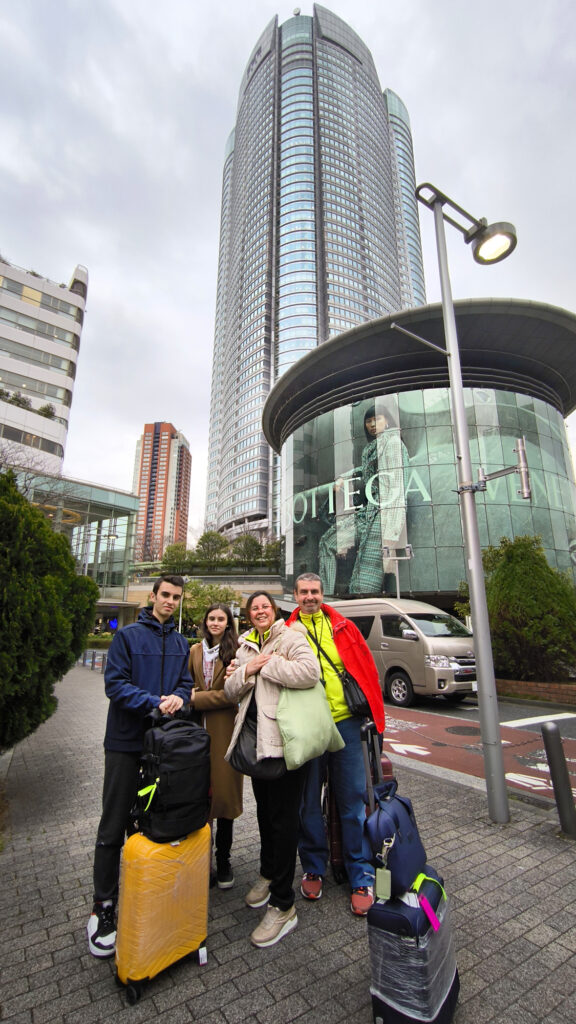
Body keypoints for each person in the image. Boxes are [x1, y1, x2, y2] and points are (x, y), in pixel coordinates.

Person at [87, 575, 193, 959]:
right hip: (125, 743)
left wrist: (178, 700)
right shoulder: (128, 637)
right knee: (113, 823)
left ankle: (142, 891)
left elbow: (185, 684)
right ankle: (103, 905)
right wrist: (155, 701)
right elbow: (114, 685)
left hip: (162, 749)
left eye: (176, 597)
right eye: (164, 595)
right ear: (153, 597)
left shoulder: (181, 642)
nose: (169, 601)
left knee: (150, 821)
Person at [223, 591, 320, 948]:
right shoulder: (246, 645)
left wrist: (268, 664)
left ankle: (283, 904)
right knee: (265, 814)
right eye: (254, 608)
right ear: (248, 616)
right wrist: (248, 668)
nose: (260, 611)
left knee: (284, 821)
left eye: (265, 606)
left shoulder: (292, 637)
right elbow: (230, 689)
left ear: (274, 611)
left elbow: (310, 672)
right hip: (255, 745)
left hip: (286, 743)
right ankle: (267, 872)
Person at [285, 572, 385, 916]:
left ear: (322, 594)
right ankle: (313, 866)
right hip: (309, 725)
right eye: (304, 592)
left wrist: (375, 717)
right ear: (295, 595)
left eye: (315, 591)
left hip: (346, 722)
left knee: (353, 799)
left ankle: (361, 873)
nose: (310, 596)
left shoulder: (343, 626)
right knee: (308, 802)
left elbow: (365, 669)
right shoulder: (286, 631)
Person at [318, 405, 407, 596]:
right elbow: (365, 469)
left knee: (366, 577)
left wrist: (391, 532)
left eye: (378, 419)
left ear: (388, 420)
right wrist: (344, 476)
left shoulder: (392, 443)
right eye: (369, 421)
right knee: (328, 542)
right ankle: (324, 598)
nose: (373, 424)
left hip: (384, 515)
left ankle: (361, 615)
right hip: (368, 512)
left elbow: (397, 488)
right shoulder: (371, 448)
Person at [189, 603, 243, 889]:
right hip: (197, 734)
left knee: (225, 802)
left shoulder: (237, 653)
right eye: (211, 618)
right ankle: (201, 862)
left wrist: (197, 698)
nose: (215, 623)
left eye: (221, 619)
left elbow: (231, 696)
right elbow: (184, 684)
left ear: (228, 623)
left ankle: (223, 861)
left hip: (226, 732)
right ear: (205, 621)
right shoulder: (194, 651)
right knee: (200, 801)